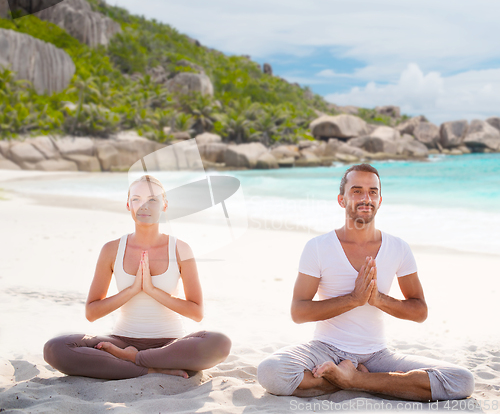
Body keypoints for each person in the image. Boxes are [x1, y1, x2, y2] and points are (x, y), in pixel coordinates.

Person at [257, 164, 474, 401]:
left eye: (372, 192)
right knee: (271, 371)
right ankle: (353, 380)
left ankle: (354, 380)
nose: (366, 198)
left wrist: (378, 300)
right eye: (357, 191)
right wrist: (353, 300)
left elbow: (419, 311)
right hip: (325, 349)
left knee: (462, 380)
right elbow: (299, 312)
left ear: (380, 200)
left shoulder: (398, 248)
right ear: (342, 199)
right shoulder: (318, 247)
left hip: (376, 356)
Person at [44, 175, 231, 379]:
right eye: (136, 199)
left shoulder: (180, 249)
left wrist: (152, 291)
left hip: (170, 345)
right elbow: (92, 312)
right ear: (128, 205)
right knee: (55, 348)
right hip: (122, 340)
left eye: (152, 199)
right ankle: (150, 367)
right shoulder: (112, 249)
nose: (144, 206)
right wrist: (132, 290)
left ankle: (134, 360)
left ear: (164, 205)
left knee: (220, 342)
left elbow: (196, 313)